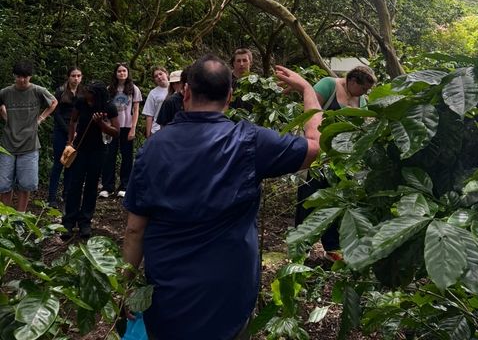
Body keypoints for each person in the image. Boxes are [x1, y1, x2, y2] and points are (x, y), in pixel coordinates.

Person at [122, 54, 322, 340]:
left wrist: (124, 288)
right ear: (230, 96)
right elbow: (314, 147)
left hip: (168, 296)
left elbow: (134, 229)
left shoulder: (153, 149)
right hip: (229, 298)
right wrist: (308, 91)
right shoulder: (249, 140)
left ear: (186, 91)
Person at [295, 65, 377, 256]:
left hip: (340, 159)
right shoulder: (328, 86)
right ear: (352, 81)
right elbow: (309, 112)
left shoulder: (361, 100)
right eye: (363, 88)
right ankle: (301, 247)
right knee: (308, 197)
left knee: (335, 200)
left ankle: (332, 246)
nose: (366, 92)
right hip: (317, 154)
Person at [62, 81, 119, 239]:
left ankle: (85, 221)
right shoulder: (80, 102)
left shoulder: (108, 107)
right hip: (80, 149)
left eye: (89, 92)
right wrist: (70, 140)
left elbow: (116, 132)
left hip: (98, 150)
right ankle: (68, 221)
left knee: (91, 186)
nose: (85, 95)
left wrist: (101, 123)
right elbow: (73, 121)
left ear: (96, 95)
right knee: (75, 184)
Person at [0, 60, 57, 212]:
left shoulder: (38, 91)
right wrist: (5, 115)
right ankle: (4, 218)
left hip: (29, 144)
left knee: (26, 185)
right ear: (14, 76)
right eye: (19, 76)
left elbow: (53, 102)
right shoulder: (6, 92)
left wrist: (41, 118)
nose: (22, 80)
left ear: (30, 77)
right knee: (4, 185)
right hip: (8, 144)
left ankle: (20, 218)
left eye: (25, 77)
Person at [100, 63, 142, 199]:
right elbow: (105, 108)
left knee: (127, 157)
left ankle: (124, 186)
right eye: (119, 71)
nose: (122, 73)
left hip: (127, 126)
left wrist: (133, 128)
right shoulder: (109, 89)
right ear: (115, 73)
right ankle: (108, 187)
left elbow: (136, 110)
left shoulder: (134, 89)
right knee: (109, 156)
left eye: (124, 71)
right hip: (113, 127)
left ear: (128, 73)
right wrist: (106, 125)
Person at [47, 67, 83, 208]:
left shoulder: (83, 92)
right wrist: (68, 130)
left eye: (78, 76)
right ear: (68, 77)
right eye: (73, 75)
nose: (76, 78)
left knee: (71, 163)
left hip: (77, 133)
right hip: (62, 131)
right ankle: (51, 197)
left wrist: (77, 131)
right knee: (58, 164)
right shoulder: (60, 91)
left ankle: (66, 194)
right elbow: (56, 113)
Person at [142, 67, 169, 138]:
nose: (159, 77)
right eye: (156, 76)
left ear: (166, 74)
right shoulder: (153, 93)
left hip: (175, 127)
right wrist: (148, 135)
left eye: (160, 74)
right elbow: (149, 115)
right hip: (157, 130)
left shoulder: (177, 88)